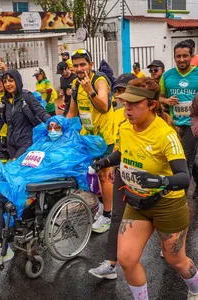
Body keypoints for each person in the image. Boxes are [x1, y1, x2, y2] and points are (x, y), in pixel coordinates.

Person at [90, 77, 198, 300]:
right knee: (127, 259)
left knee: (175, 260)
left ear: (152, 105)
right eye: (125, 103)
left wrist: (157, 181)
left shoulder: (165, 135)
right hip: (137, 202)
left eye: (134, 104)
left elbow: (184, 178)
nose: (127, 108)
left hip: (167, 206)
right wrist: (105, 162)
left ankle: (195, 287)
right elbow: (122, 153)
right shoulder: (126, 127)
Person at [0, 115, 107, 265]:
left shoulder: (70, 146)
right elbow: (25, 164)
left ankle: (0, 245)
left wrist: (19, 179)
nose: (52, 130)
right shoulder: (42, 143)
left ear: (64, 128)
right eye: (49, 127)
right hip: (24, 179)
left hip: (38, 187)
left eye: (56, 127)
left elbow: (53, 169)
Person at [89, 73, 136, 279]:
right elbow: (117, 145)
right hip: (123, 174)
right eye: (117, 91)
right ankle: (110, 264)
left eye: (124, 91)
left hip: (151, 183)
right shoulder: (116, 114)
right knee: (116, 218)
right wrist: (107, 164)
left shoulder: (154, 120)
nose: (120, 96)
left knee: (172, 253)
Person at [67, 49, 115, 233]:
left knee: (104, 176)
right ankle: (102, 206)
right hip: (87, 138)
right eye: (76, 65)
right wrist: (60, 128)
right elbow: (72, 112)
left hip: (104, 139)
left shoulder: (99, 80)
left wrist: (90, 91)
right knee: (89, 176)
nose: (80, 69)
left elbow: (103, 107)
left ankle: (108, 215)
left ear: (91, 65)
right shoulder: (75, 84)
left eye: (83, 64)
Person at [0, 69, 50, 160]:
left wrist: (53, 122)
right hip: (11, 143)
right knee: (16, 170)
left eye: (11, 80)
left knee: (15, 164)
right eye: (5, 81)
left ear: (17, 81)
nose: (8, 84)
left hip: (26, 141)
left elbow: (41, 112)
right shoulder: (4, 101)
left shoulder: (27, 96)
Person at [160, 41, 198, 197]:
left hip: (191, 125)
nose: (181, 59)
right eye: (178, 56)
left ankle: (180, 198)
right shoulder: (167, 75)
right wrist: (166, 101)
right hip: (172, 125)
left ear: (192, 55)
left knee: (185, 162)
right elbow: (159, 97)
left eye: (185, 56)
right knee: (177, 159)